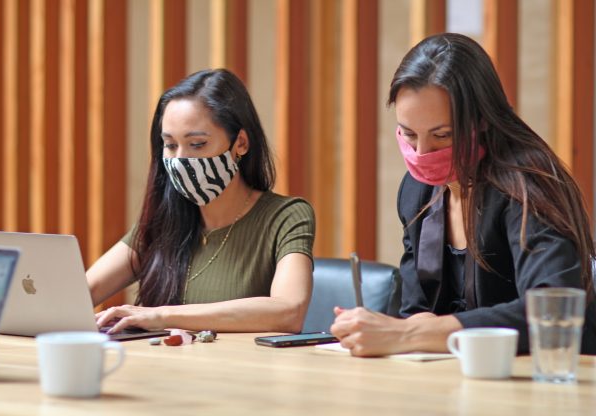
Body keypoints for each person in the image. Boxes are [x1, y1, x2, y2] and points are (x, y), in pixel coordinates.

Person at [331, 33, 596, 356]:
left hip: (540, 370)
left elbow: (552, 309)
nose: (422, 153)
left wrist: (409, 332)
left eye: (442, 135)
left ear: (482, 121)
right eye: (409, 134)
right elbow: (415, 311)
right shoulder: (416, 191)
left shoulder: (528, 185)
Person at [87, 69, 315, 334]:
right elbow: (85, 290)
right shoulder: (164, 222)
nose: (180, 160)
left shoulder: (286, 216)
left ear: (240, 143)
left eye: (197, 144)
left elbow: (289, 311)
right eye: (170, 145)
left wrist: (160, 315)